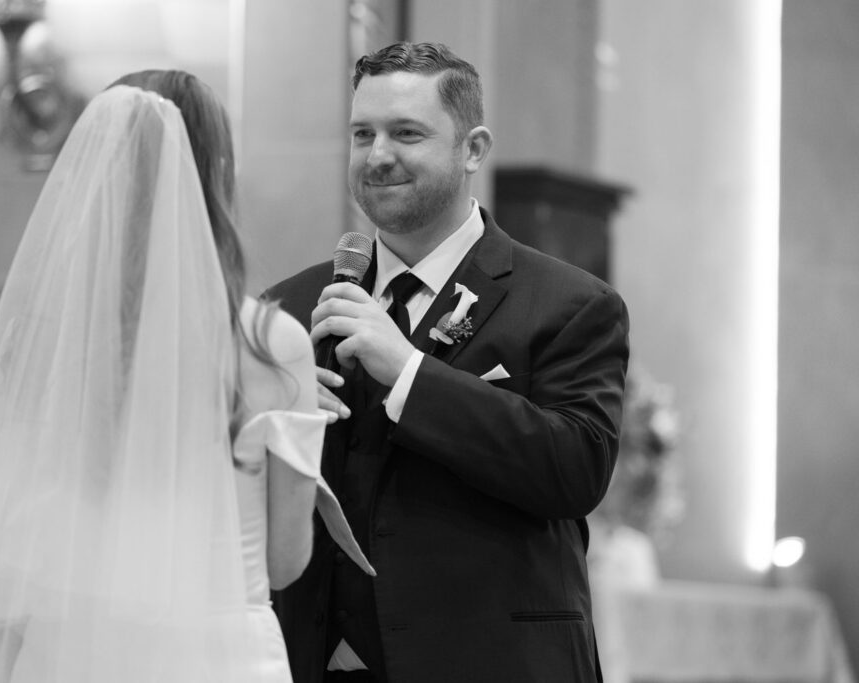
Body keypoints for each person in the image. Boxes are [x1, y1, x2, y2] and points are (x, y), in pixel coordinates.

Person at [0, 71, 370, 682]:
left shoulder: (33, 341)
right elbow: (285, 560)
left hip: (63, 652)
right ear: (215, 171)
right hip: (214, 653)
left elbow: (9, 539)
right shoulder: (266, 343)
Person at [265, 42, 630, 682]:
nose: (378, 156)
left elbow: (575, 470)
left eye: (406, 133)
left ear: (473, 149)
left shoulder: (570, 304)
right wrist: (272, 428)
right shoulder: (290, 306)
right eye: (362, 134)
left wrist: (409, 372)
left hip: (488, 661)